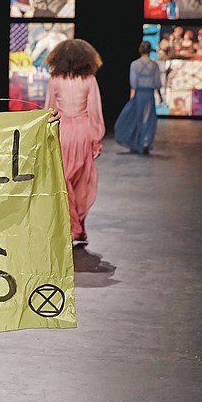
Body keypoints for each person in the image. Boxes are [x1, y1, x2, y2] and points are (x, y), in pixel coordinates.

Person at [44, 38, 105, 246]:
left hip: (62, 131)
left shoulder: (55, 79)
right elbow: (95, 110)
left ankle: (73, 227)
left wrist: (46, 133)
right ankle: (77, 227)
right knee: (80, 182)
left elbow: (49, 109)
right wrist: (96, 138)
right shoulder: (89, 80)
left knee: (63, 179)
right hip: (82, 131)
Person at [114, 40, 164, 155]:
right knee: (148, 119)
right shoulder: (154, 65)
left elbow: (133, 82)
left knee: (136, 119)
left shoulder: (135, 64)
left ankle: (137, 143)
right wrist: (160, 96)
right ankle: (145, 142)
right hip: (149, 95)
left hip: (139, 95)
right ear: (150, 51)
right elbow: (157, 83)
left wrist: (131, 98)